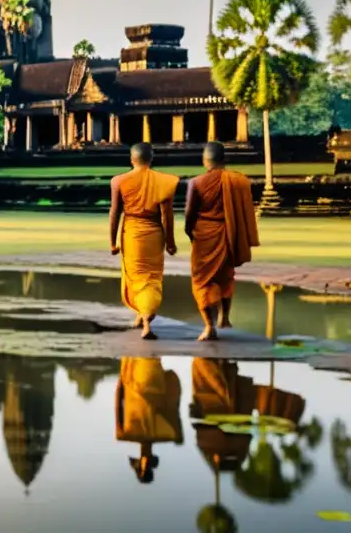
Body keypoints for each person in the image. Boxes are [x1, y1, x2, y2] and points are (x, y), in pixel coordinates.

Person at [184, 141, 260, 341]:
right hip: (229, 234)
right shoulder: (238, 180)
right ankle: (224, 317)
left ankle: (209, 326)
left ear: (204, 160)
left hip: (204, 235)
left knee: (202, 281)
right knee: (226, 277)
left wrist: (189, 232)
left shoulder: (196, 182)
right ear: (223, 159)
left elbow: (189, 213)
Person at [110, 142, 179, 340]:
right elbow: (167, 215)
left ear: (132, 160)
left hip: (131, 233)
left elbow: (115, 212)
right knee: (150, 277)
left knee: (135, 276)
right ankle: (142, 315)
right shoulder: (163, 181)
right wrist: (170, 241)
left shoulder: (119, 181)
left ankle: (146, 322)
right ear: (151, 158)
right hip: (154, 234)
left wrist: (112, 242)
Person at [115, 357, 183, 483]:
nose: (145, 464)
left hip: (137, 379)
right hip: (149, 381)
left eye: (142, 467)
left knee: (143, 354)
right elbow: (174, 409)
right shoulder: (165, 434)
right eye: (146, 468)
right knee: (147, 356)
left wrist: (122, 381)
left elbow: (118, 406)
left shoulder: (125, 434)